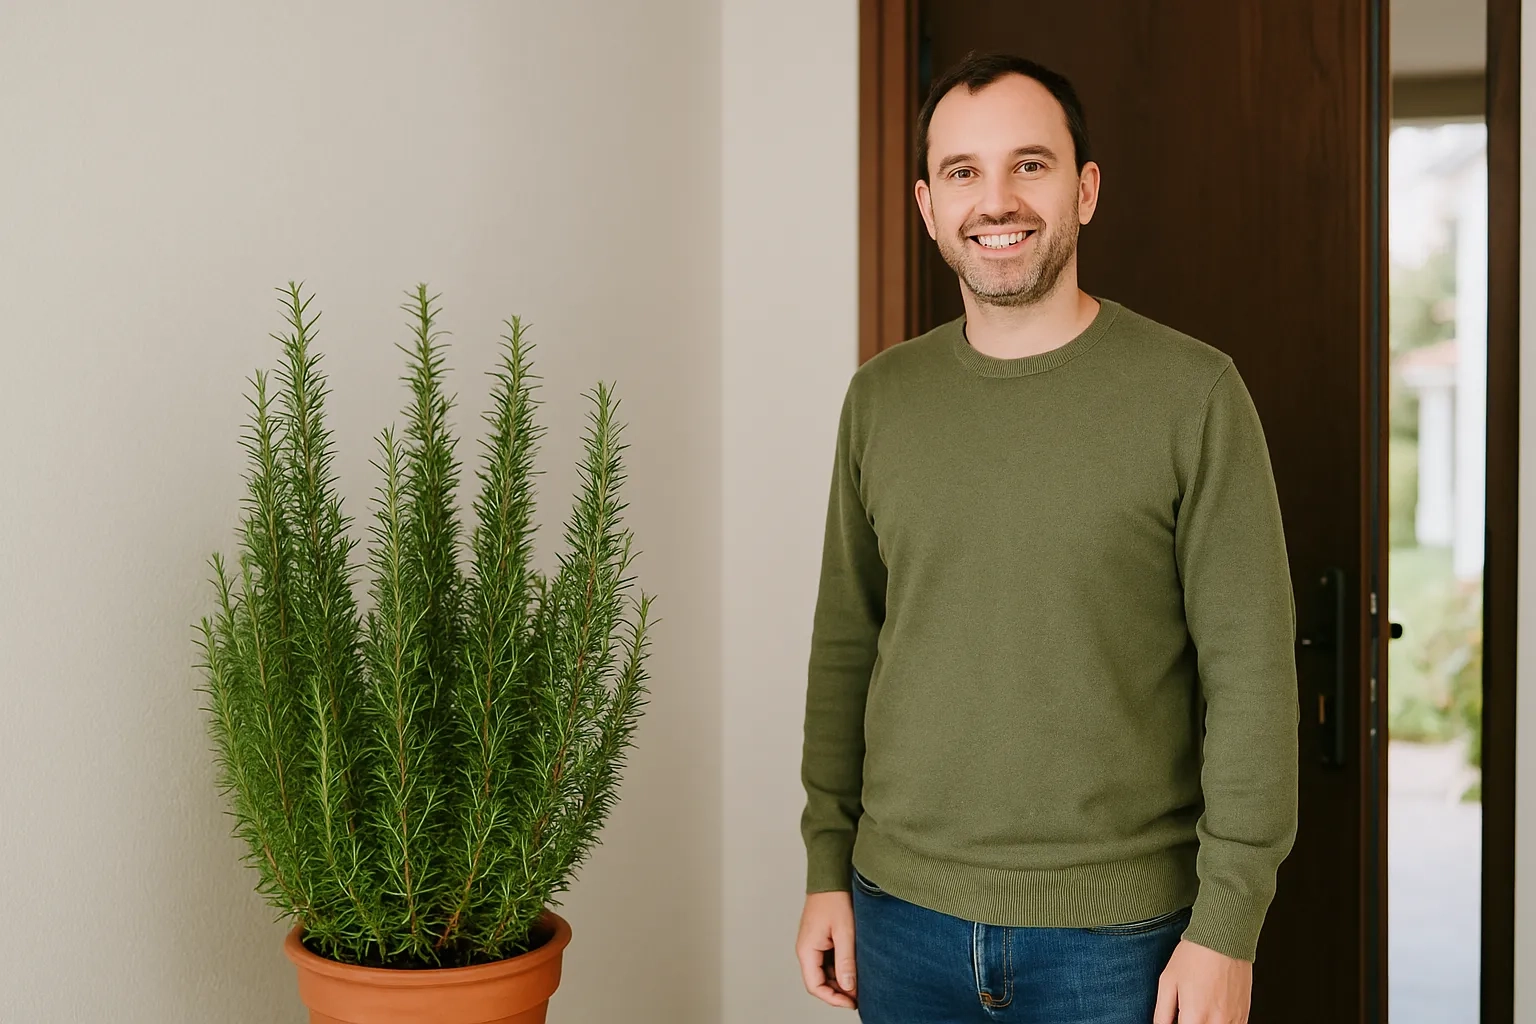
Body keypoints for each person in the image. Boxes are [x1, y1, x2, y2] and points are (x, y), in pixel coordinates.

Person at [794, 51, 1299, 1024]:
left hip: (1120, 939)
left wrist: (1229, 926)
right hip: (898, 915)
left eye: (1030, 164)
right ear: (928, 206)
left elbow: (1252, 675)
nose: (997, 200)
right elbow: (846, 645)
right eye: (963, 171)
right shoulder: (882, 399)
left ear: (1086, 189)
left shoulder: (1194, 395)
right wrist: (826, 865)